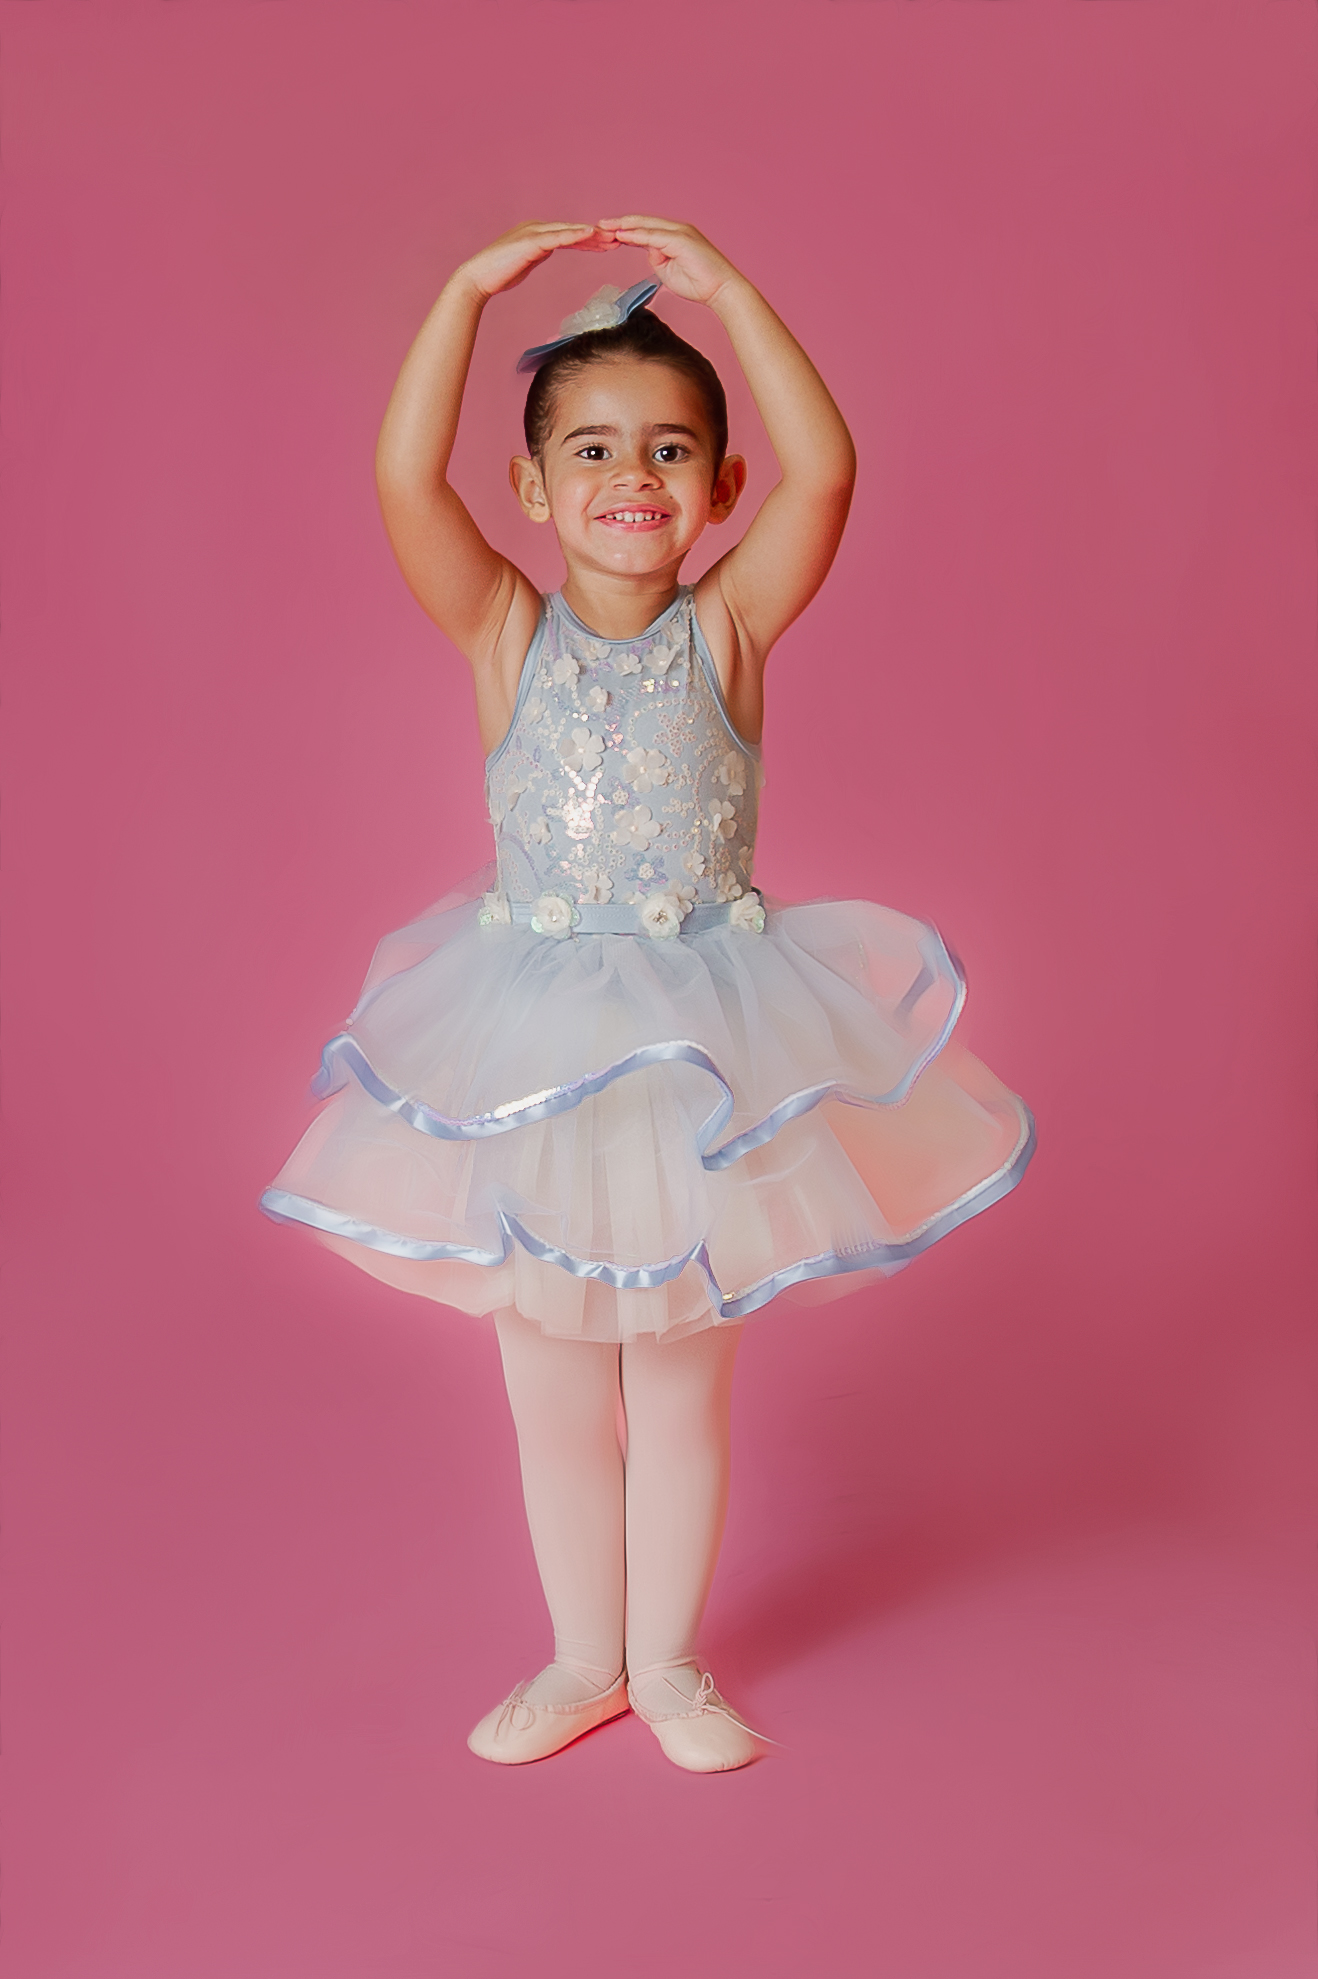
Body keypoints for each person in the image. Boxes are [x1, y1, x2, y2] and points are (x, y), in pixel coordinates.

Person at [261, 217, 1034, 1773]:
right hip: (532, 1056)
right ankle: (579, 1664)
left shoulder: (726, 633)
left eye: (672, 449)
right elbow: (406, 482)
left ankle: (668, 1666)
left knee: (678, 1388)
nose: (635, 474)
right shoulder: (505, 631)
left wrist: (733, 293)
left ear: (720, 486)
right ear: (531, 488)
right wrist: (463, 295)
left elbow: (829, 474)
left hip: (701, 1062)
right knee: (553, 1390)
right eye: (594, 449)